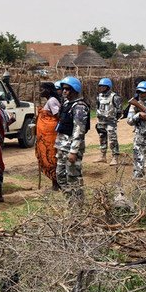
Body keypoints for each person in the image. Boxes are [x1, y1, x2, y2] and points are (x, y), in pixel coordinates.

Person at [55, 76, 90, 204]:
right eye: (63, 89)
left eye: (67, 89)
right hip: (62, 146)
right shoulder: (66, 104)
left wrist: (73, 151)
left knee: (73, 178)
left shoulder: (79, 107)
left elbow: (79, 130)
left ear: (75, 90)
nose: (64, 91)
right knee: (61, 176)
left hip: (71, 148)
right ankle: (70, 202)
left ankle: (78, 207)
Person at [36, 82, 61, 191]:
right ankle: (55, 183)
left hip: (49, 136)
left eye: (42, 89)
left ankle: (56, 184)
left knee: (51, 157)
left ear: (48, 90)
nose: (40, 91)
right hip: (45, 136)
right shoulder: (49, 101)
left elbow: (57, 116)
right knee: (48, 156)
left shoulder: (52, 101)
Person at [94, 78, 123, 165]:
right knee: (102, 137)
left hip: (110, 121)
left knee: (112, 139)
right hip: (101, 121)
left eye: (103, 86)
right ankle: (103, 156)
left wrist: (114, 119)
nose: (101, 88)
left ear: (108, 86)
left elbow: (119, 111)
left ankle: (115, 157)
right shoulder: (99, 96)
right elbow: (97, 107)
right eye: (100, 86)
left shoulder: (115, 97)